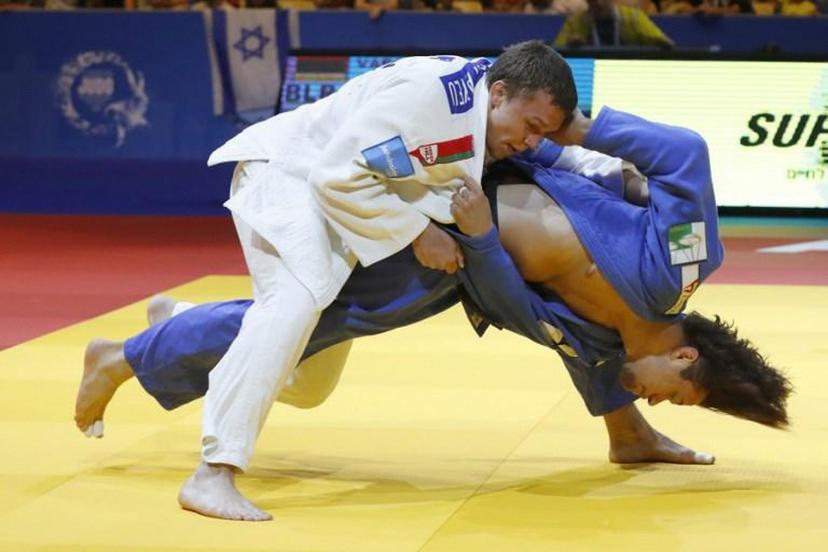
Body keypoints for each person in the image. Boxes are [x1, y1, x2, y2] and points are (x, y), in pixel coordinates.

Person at [76, 107, 791, 520]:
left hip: (455, 255)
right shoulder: (681, 265)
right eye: (680, 394)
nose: (666, 396)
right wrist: (582, 126)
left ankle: (163, 335)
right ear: (686, 356)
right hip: (436, 195)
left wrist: (480, 236)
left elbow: (522, 311)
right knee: (300, 320)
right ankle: (125, 356)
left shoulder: (603, 342)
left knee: (313, 338)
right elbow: (686, 155)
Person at [73, 41, 578, 522]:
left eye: (542, 134)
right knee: (293, 304)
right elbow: (335, 175)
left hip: (343, 203)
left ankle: (166, 333)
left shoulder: (485, 114)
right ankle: (214, 471)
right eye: (531, 126)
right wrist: (418, 231)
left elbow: (556, 157)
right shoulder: (434, 98)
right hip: (291, 178)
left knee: (309, 381)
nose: (531, 142)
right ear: (499, 94)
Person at [554, 0, 675, 49]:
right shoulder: (576, 21)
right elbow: (555, 53)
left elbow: (665, 42)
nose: (599, 3)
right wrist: (570, 45)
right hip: (591, 70)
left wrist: (655, 42)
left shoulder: (634, 18)